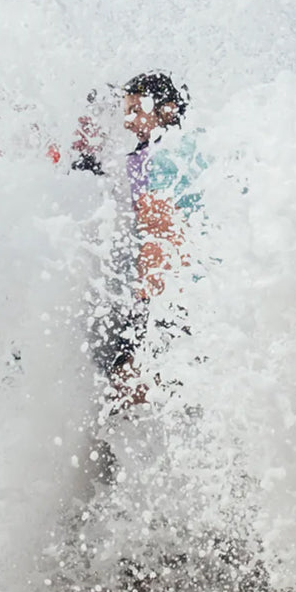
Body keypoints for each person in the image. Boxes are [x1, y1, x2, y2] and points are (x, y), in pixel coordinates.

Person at [78, 71, 204, 413]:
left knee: (125, 385)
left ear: (167, 109)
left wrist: (149, 303)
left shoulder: (164, 158)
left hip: (172, 293)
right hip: (202, 290)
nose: (128, 121)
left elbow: (163, 233)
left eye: (136, 110)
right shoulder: (195, 145)